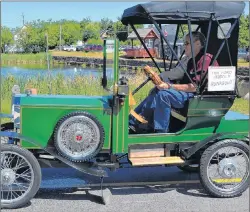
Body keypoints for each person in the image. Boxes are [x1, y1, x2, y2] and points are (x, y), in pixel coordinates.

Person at [129, 31, 219, 133]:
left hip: (199, 97)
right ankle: (133, 121)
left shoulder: (205, 60)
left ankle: (161, 132)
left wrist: (169, 86)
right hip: (188, 94)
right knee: (156, 90)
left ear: (198, 43)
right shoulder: (192, 60)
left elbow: (195, 87)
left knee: (164, 95)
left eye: (187, 43)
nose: (184, 46)